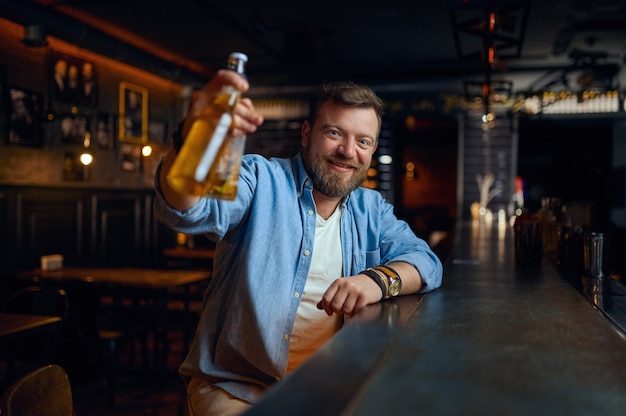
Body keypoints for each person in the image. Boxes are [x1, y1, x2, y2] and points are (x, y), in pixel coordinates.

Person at [154, 70, 443, 416]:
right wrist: (192, 138)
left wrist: (377, 280)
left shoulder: (371, 208)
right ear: (307, 134)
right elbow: (186, 210)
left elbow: (426, 261)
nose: (347, 151)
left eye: (363, 141)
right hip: (238, 388)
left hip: (328, 388)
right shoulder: (260, 179)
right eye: (334, 133)